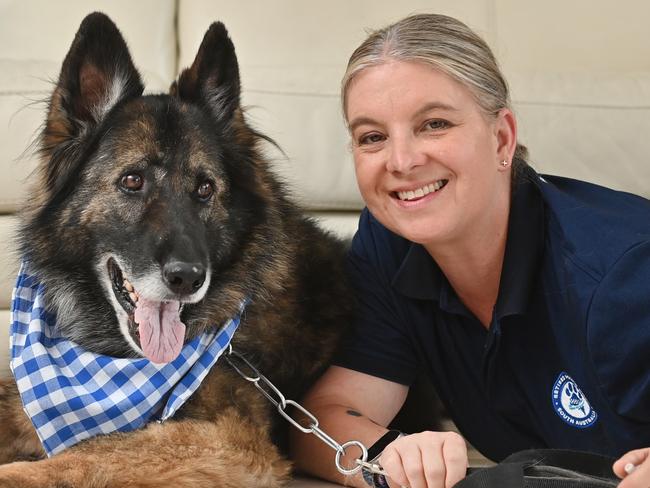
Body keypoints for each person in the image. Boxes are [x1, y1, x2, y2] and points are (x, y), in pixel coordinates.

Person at [289, 13, 650, 488]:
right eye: (372, 137)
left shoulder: (621, 274)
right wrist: (392, 456)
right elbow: (321, 420)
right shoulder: (390, 244)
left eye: (434, 124)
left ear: (502, 138)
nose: (402, 161)